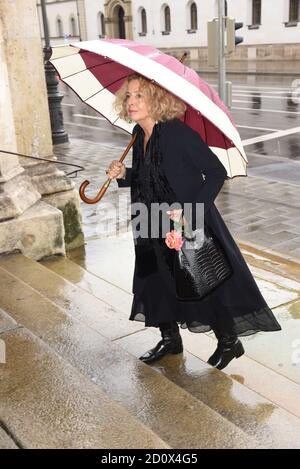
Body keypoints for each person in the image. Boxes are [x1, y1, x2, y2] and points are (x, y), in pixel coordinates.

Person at [106, 73, 281, 370]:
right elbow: (149, 178)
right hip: (149, 221)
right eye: (129, 96)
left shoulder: (176, 133)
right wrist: (125, 175)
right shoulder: (138, 134)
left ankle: (229, 341)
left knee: (201, 281)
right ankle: (170, 339)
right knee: (155, 282)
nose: (132, 102)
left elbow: (214, 172)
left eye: (140, 95)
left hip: (184, 222)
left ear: (156, 100)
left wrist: (191, 211)